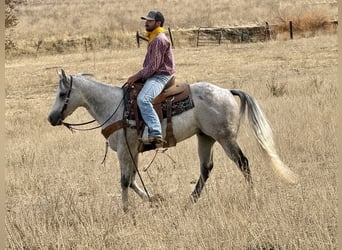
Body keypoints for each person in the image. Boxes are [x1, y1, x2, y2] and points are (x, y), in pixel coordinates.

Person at [127, 10, 176, 145]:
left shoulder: (158, 39)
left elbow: (153, 67)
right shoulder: (154, 38)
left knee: (143, 99)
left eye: (149, 20)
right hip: (155, 74)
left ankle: (155, 132)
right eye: (146, 20)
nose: (146, 23)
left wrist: (136, 75)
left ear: (158, 23)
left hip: (160, 76)